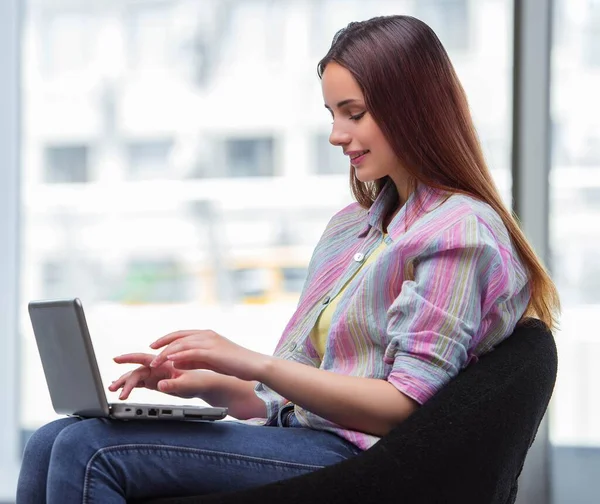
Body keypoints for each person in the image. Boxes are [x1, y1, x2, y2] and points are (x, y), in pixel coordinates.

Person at [16, 14, 560, 504]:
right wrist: (207, 382)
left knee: (89, 450)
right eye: (331, 113)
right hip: (307, 442)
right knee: (50, 441)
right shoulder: (354, 228)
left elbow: (401, 408)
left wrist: (252, 361)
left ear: (412, 105)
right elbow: (294, 401)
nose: (335, 135)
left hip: (359, 467)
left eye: (354, 113)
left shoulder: (458, 233)